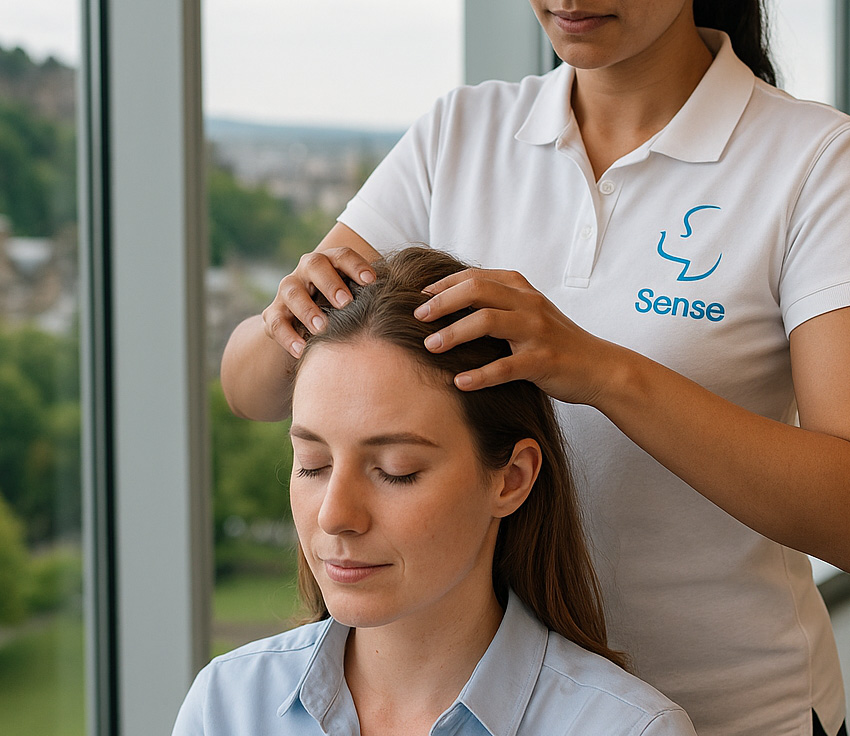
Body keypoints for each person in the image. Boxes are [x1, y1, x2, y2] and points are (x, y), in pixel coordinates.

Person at [219, 2, 850, 734]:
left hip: (735, 712)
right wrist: (287, 319)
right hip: (495, 709)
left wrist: (601, 371)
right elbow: (251, 387)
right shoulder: (461, 135)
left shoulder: (815, 161)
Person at [174, 247, 697, 735]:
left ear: (511, 478)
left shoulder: (624, 728)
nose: (335, 515)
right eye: (313, 465)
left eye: (396, 471)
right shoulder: (228, 706)